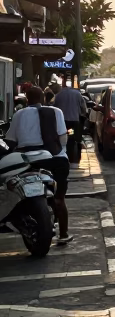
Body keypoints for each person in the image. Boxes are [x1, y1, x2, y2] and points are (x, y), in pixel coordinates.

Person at [4, 86, 73, 244]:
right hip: (56, 160)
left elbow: (11, 141)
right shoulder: (56, 112)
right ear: (43, 98)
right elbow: (63, 139)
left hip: (28, 161)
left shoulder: (19, 114)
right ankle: (63, 234)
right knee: (59, 199)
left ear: (27, 99)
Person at [53, 75, 87, 164]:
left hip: (62, 122)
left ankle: (63, 153)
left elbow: (53, 107)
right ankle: (72, 155)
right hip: (73, 121)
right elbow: (84, 108)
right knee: (71, 136)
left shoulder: (58, 95)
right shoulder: (77, 94)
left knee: (62, 137)